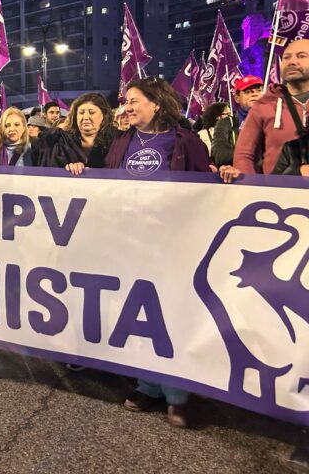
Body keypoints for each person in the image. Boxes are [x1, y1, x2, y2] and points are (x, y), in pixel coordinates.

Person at [104, 77, 210, 427]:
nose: (128, 107)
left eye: (134, 101)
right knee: (137, 314)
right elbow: (104, 183)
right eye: (126, 101)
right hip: (129, 241)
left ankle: (177, 395)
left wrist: (225, 173)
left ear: (157, 104)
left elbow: (205, 187)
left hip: (173, 243)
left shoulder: (185, 140)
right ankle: (147, 385)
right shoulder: (123, 140)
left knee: (170, 315)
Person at [234, 40, 309, 174]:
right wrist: (251, 189)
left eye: (301, 56)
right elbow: (244, 155)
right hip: (277, 192)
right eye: (286, 57)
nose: (292, 61)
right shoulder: (263, 105)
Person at [34, 93, 116, 174]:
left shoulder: (117, 140)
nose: (85, 117)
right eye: (81, 112)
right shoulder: (62, 141)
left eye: (91, 112)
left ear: (104, 116)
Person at [210, 75, 263, 167]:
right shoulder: (226, 123)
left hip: (269, 179)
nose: (255, 94)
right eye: (248, 92)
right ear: (237, 98)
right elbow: (220, 157)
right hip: (240, 178)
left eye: (258, 91)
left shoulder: (273, 120)